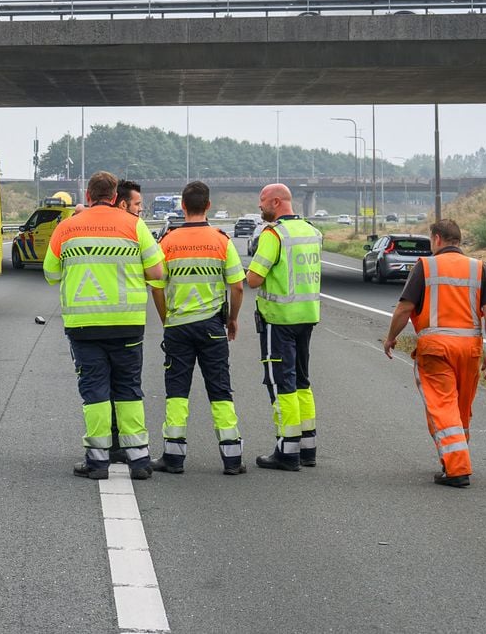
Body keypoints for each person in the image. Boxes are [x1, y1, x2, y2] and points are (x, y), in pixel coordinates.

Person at [45, 171, 165, 481]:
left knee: (95, 392)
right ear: (114, 197)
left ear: (87, 196)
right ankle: (139, 461)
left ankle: (97, 463)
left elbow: (51, 274)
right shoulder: (134, 225)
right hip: (127, 324)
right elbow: (157, 272)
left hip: (84, 326)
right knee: (129, 390)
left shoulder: (67, 227)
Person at [382, 219, 486, 488]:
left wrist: (391, 338)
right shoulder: (480, 268)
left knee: (443, 405)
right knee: (461, 409)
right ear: (458, 240)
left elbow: (404, 308)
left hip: (435, 349)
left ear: (437, 239)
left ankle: (457, 467)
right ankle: (454, 459)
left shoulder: (425, 267)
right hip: (470, 351)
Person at [148, 181, 246, 475]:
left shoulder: (168, 242)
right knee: (220, 388)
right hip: (212, 326)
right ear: (208, 206)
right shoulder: (221, 241)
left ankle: (173, 457)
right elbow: (238, 286)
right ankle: (232, 458)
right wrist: (232, 319)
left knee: (177, 390)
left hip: (178, 326)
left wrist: (166, 319)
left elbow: (156, 286)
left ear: (182, 206)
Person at [245, 183, 322, 471]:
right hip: (307, 315)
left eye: (263, 200)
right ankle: (307, 447)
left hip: (279, 319)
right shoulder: (312, 232)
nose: (260, 205)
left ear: (276, 202)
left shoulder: (274, 234)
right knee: (302, 381)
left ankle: (287, 451)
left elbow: (254, 279)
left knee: (281, 383)